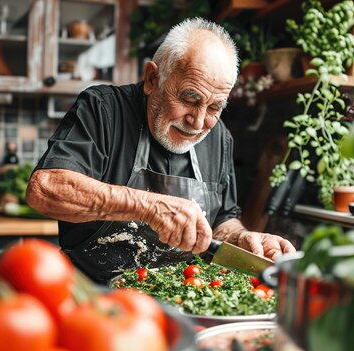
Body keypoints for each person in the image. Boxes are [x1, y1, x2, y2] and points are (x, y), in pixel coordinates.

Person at [26, 17, 295, 283]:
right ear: (152, 78)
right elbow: (45, 189)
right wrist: (147, 207)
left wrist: (241, 238)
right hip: (94, 299)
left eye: (214, 108)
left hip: (182, 296)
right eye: (190, 99)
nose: (198, 122)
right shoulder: (103, 109)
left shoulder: (220, 137)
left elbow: (223, 220)